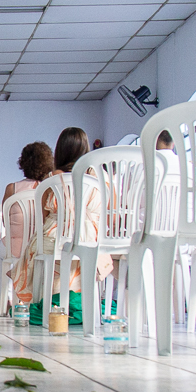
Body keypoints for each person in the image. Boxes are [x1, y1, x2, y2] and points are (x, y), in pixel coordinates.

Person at [18, 127, 114, 326]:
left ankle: (45, 304)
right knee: (89, 247)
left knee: (34, 248)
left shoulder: (50, 179)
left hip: (54, 240)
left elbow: (42, 218)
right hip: (90, 239)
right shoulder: (100, 176)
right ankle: (86, 304)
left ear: (59, 151)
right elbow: (109, 212)